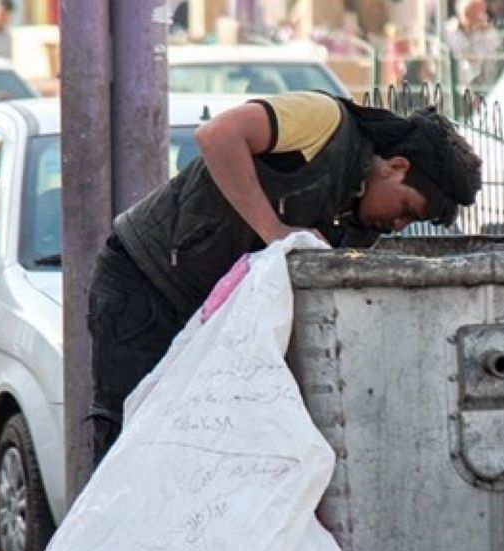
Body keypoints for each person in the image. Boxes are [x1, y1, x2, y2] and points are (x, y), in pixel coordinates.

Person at [87, 91, 483, 465]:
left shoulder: (360, 225)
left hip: (211, 321)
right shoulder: (325, 122)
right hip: (145, 284)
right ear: (397, 167)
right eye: (406, 211)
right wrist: (272, 229)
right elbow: (219, 134)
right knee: (131, 444)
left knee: (196, 456)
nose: (398, 226)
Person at [442, 0, 501, 97]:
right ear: (462, 14)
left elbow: (496, 49)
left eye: (480, 13)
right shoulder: (447, 31)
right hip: (453, 90)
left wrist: (487, 31)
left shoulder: (487, 32)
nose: (477, 18)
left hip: (481, 90)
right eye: (471, 15)